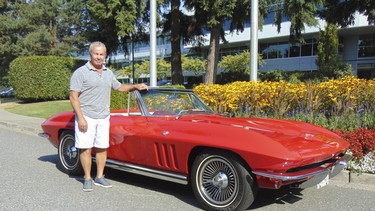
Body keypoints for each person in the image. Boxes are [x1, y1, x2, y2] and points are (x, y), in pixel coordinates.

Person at [69, 41, 148, 192]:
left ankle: (99, 176)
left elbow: (119, 87)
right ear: (90, 54)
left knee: (102, 147)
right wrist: (81, 118)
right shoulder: (80, 72)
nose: (98, 57)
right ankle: (87, 178)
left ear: (105, 56)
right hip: (87, 116)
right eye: (96, 54)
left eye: (101, 54)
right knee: (85, 148)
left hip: (103, 117)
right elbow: (73, 97)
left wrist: (135, 86)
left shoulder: (108, 72)